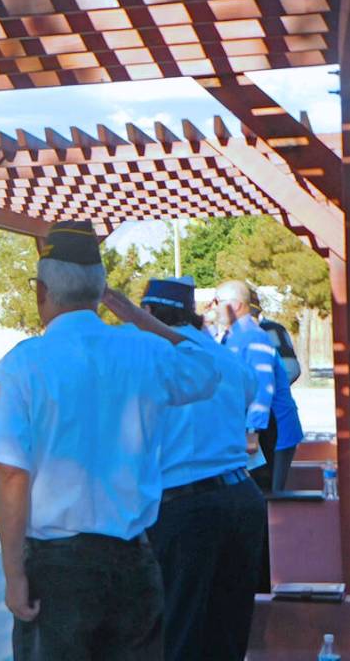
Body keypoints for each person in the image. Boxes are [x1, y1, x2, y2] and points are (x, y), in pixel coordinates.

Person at [0, 221, 224, 661]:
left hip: (57, 570)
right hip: (133, 562)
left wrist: (13, 576)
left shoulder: (24, 364)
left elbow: (10, 474)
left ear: (41, 291)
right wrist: (140, 319)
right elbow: (205, 368)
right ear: (101, 292)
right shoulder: (143, 350)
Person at [140, 277, 265, 661]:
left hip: (183, 504)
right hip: (241, 496)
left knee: (179, 630)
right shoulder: (224, 357)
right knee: (229, 628)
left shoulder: (148, 356)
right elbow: (245, 401)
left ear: (148, 311)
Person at [213, 281, 303, 492]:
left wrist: (252, 431)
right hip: (252, 428)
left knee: (266, 498)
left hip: (270, 431)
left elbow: (262, 387)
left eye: (217, 301)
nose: (213, 308)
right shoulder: (233, 336)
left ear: (234, 305)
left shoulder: (253, 336)